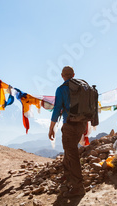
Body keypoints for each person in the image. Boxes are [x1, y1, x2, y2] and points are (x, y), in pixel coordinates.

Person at [48, 66, 87, 198]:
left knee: (72, 153)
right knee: (69, 150)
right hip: (82, 124)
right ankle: (67, 175)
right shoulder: (83, 87)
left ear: (62, 75)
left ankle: (78, 187)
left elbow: (57, 108)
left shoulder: (61, 89)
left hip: (69, 125)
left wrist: (51, 127)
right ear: (74, 74)